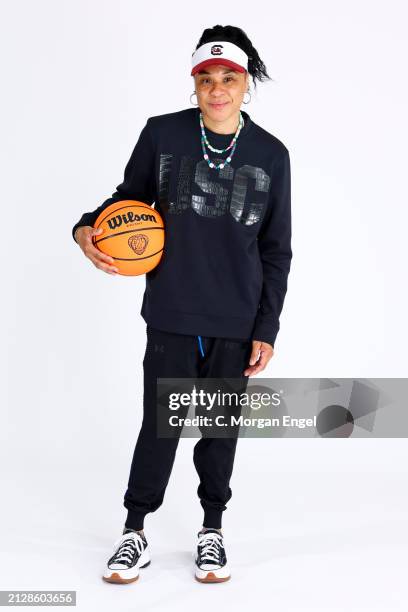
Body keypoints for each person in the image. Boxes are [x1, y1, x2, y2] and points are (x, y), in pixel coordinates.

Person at [72, 24, 292, 584]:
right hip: (172, 310)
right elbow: (128, 201)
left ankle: (212, 530)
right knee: (160, 427)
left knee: (220, 431)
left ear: (246, 84)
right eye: (206, 79)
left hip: (237, 319)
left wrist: (266, 327)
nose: (217, 89)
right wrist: (84, 228)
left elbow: (275, 250)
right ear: (193, 83)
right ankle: (134, 531)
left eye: (229, 78)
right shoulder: (162, 135)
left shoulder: (272, 154)